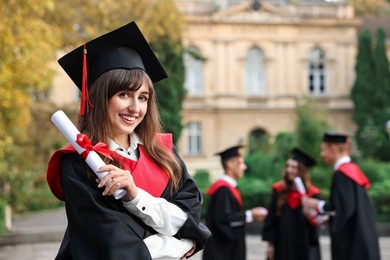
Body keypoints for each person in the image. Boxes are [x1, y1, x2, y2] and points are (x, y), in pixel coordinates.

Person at [46, 21, 211, 259]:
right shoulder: (78, 164)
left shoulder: (163, 152)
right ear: (99, 98)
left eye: (143, 97)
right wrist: (181, 245)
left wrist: (136, 196)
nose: (135, 108)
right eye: (123, 94)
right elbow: (114, 246)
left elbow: (190, 215)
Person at [302, 132, 381, 260]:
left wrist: (317, 204)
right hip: (362, 236)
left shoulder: (343, 173)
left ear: (332, 148)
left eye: (323, 150)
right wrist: (330, 217)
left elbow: (344, 208)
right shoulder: (352, 169)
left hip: (353, 242)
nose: (322, 155)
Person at [202, 145, 268, 260]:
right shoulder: (223, 190)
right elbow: (223, 219)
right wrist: (250, 214)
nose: (244, 167)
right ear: (230, 164)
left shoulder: (228, 188)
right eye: (241, 163)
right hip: (222, 252)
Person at [262, 147, 326, 260]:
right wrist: (270, 244)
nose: (289, 170)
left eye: (294, 167)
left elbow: (317, 223)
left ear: (302, 170)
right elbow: (271, 218)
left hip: (304, 243)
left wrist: (308, 214)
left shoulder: (313, 194)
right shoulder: (278, 190)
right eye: (288, 166)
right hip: (282, 242)